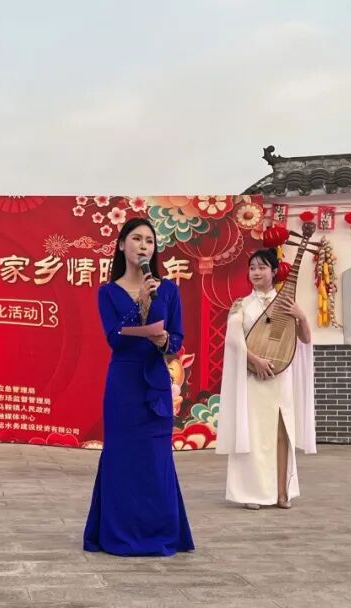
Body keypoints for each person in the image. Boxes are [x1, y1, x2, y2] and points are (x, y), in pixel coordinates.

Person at [84, 217, 194, 557]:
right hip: (124, 383)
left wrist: (165, 341)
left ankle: (160, 532)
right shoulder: (108, 292)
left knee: (156, 460)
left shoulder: (168, 289)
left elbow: (177, 338)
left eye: (149, 240)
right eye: (136, 238)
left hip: (155, 382)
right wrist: (141, 305)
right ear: (121, 245)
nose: (143, 245)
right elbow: (114, 339)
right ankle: (118, 534)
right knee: (122, 457)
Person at [216, 248, 316, 510]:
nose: (256, 272)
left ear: (273, 271)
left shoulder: (286, 303)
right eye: (252, 268)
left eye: (262, 267)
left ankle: (282, 492)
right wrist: (256, 361)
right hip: (254, 379)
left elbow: (304, 339)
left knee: (282, 434)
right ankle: (253, 493)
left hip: (279, 379)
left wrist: (301, 316)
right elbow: (234, 343)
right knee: (255, 436)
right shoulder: (242, 305)